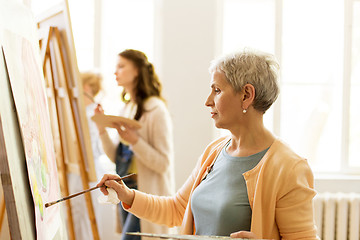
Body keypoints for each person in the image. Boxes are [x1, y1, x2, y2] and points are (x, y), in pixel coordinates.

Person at [96, 49, 320, 240]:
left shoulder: (289, 167)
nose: (207, 100)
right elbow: (176, 209)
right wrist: (127, 195)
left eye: (217, 90)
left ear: (246, 95)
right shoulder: (214, 152)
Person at [94, 49, 176, 240]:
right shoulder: (126, 108)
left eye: (121, 66)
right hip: (125, 189)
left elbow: (163, 163)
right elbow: (116, 157)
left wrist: (135, 141)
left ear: (137, 71)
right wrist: (101, 128)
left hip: (146, 194)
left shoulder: (156, 109)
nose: (116, 72)